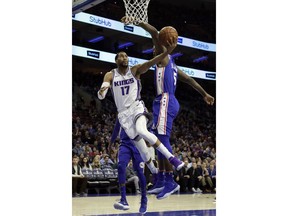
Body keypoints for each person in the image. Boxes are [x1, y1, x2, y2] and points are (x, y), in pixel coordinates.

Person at [121, 17, 215, 199]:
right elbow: (189, 80)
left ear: (161, 46)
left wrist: (137, 21)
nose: (153, 50)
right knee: (158, 140)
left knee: (162, 140)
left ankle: (170, 180)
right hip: (163, 101)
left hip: (165, 100)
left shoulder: (163, 57)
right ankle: (162, 179)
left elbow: (154, 32)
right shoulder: (172, 63)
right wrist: (204, 94)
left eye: (156, 47)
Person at [97, 40, 185, 178]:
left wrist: (167, 52)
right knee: (140, 146)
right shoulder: (111, 74)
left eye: (126, 56)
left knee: (142, 130)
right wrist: (102, 92)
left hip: (137, 107)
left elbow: (151, 61)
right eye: (121, 56)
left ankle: (173, 159)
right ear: (116, 60)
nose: (124, 58)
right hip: (123, 114)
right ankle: (153, 169)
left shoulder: (135, 70)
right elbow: (102, 93)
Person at [110, 118, 148, 214]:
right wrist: (111, 143)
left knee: (140, 172)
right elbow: (116, 129)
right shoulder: (121, 112)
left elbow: (148, 126)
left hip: (137, 144)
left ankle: (144, 199)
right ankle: (123, 199)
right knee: (121, 167)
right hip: (124, 144)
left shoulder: (139, 109)